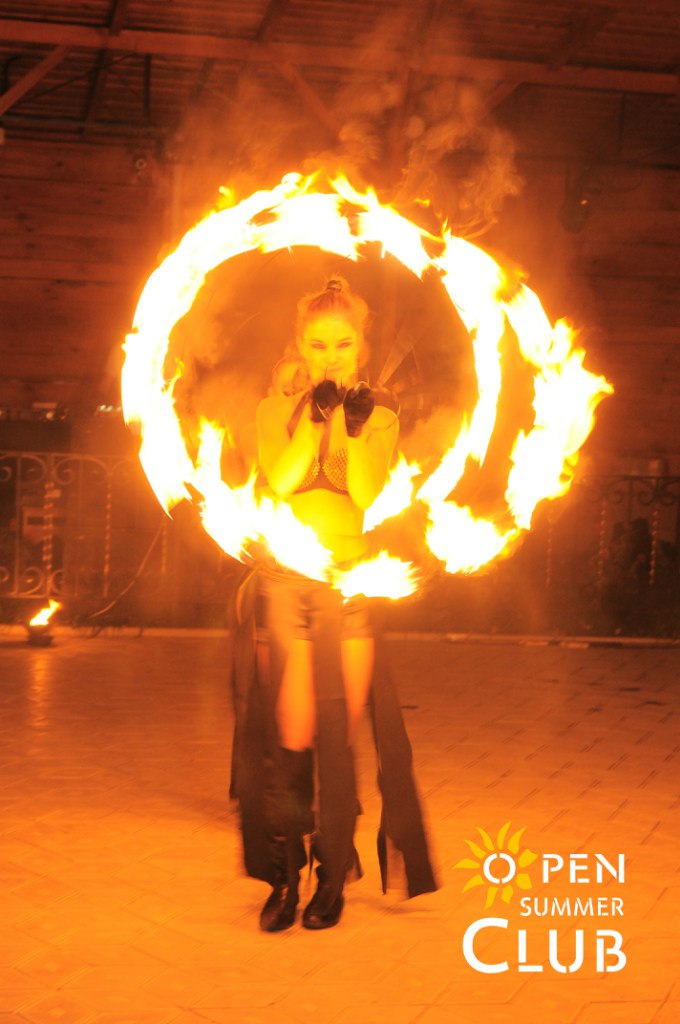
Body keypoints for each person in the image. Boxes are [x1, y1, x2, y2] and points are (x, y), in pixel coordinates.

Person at [230, 276, 437, 932]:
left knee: (338, 742)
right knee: (291, 737)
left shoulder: (382, 417)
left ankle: (330, 874)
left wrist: (347, 423)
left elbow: (367, 495)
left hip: (349, 590)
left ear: (360, 347)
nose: (331, 357)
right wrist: (315, 417)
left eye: (343, 345)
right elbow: (283, 480)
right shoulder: (274, 410)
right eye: (318, 345)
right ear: (301, 345)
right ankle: (286, 876)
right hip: (287, 588)